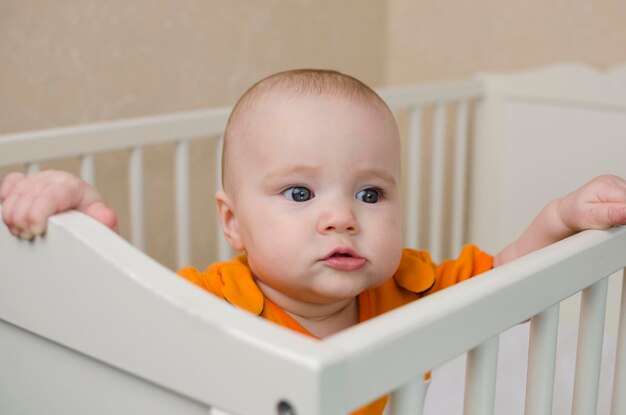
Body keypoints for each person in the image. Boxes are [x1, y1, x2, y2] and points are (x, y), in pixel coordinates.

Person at [2, 69, 626, 415]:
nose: (341, 218)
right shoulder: (213, 301)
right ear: (232, 223)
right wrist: (78, 218)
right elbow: (119, 319)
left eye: (371, 194)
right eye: (299, 194)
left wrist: (560, 218)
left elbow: (511, 278)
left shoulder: (407, 285)